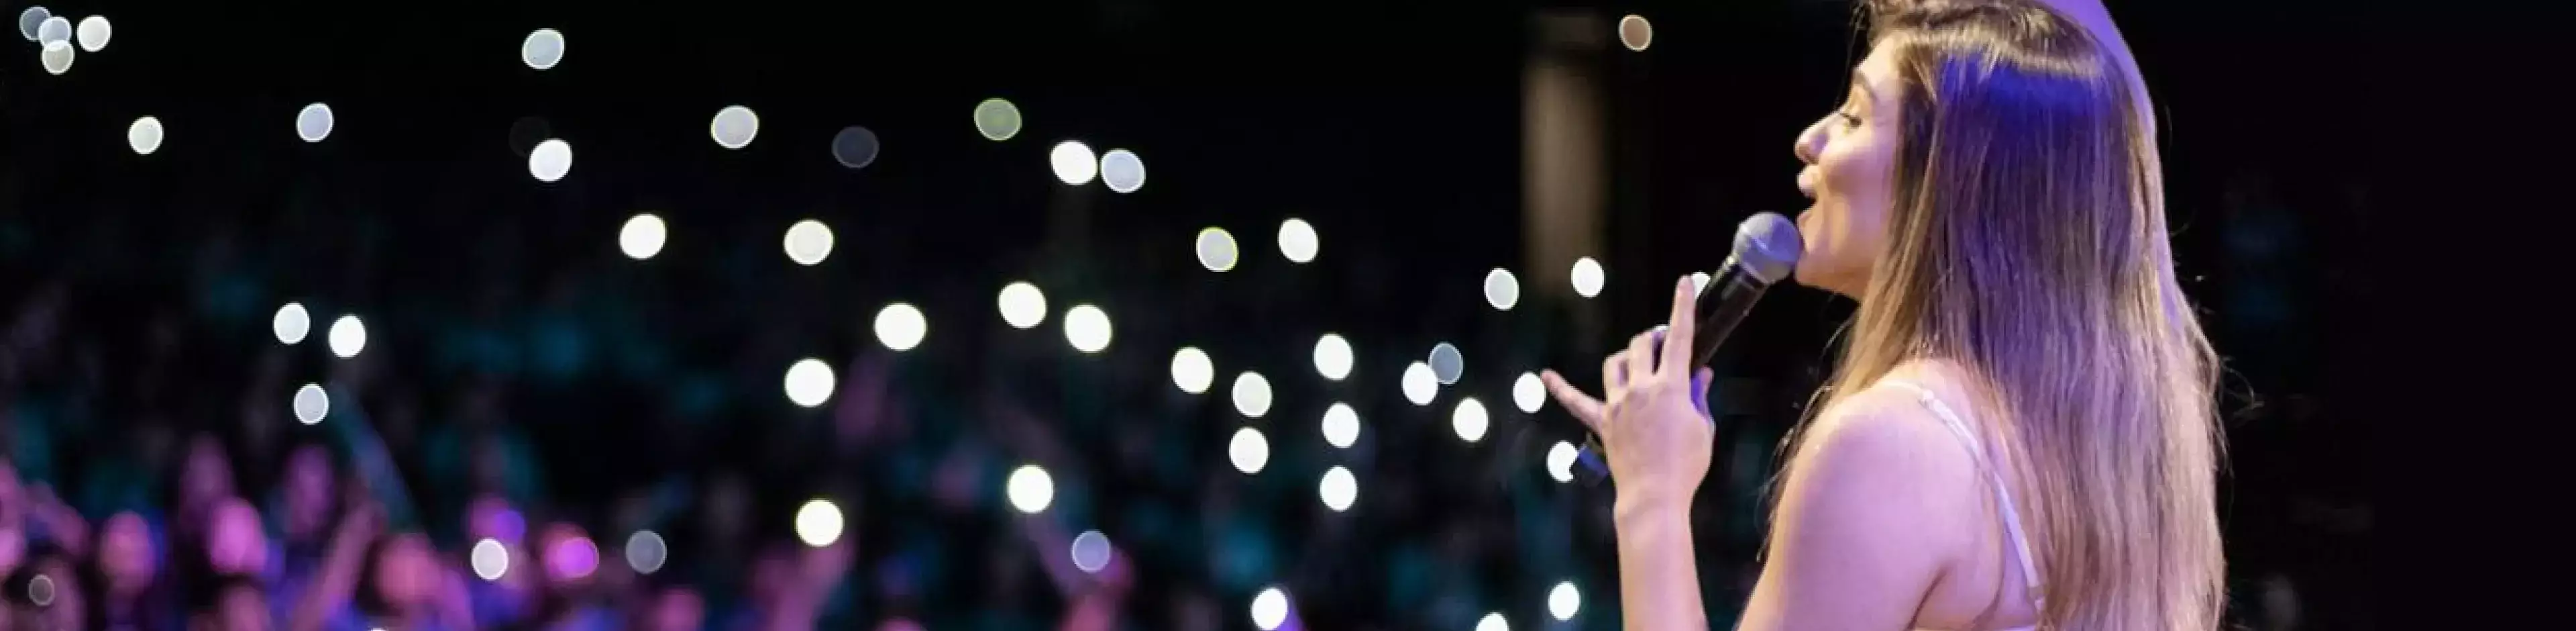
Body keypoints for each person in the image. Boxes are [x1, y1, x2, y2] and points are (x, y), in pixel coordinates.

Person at [1540, 1, 2223, 629]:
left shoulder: (1889, 446)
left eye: (1854, 116)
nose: (1809, 140)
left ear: (1951, 180)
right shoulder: (2120, 453)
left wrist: (1652, 499)